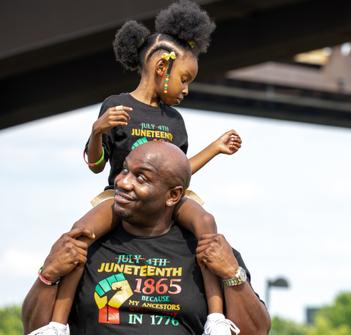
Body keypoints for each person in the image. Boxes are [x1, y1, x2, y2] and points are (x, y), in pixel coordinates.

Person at [40, 1, 242, 334]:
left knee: (206, 223)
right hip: (120, 195)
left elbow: (180, 173)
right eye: (185, 79)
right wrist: (97, 131)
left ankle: (216, 318)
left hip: (169, 199)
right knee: (80, 233)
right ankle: (57, 325)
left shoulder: (174, 120)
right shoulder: (117, 106)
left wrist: (215, 149)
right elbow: (95, 165)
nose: (187, 89)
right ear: (163, 68)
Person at [22, 142, 271, 335]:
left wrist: (231, 275)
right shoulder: (85, 243)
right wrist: (48, 275)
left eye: (140, 178)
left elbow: (255, 331)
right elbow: (35, 328)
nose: (122, 182)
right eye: (125, 170)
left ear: (173, 195)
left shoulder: (209, 249)